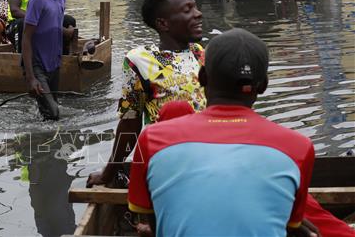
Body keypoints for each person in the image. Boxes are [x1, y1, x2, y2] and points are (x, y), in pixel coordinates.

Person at [128, 28, 315, 237]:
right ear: (263, 86)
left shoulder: (152, 140)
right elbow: (288, 223)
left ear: (202, 77)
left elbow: (156, 222)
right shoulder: (298, 147)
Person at [87, 0, 205, 187]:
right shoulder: (140, 61)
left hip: (206, 157)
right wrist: (108, 174)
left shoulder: (200, 53)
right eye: (188, 10)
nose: (198, 14)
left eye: (195, 7)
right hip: (168, 159)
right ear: (163, 24)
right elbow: (130, 122)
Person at [22, 0, 73, 121]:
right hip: (38, 67)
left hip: (54, 64)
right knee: (53, 113)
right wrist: (31, 78)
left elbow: (52, 27)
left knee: (50, 113)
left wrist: (71, 35)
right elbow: (26, 37)